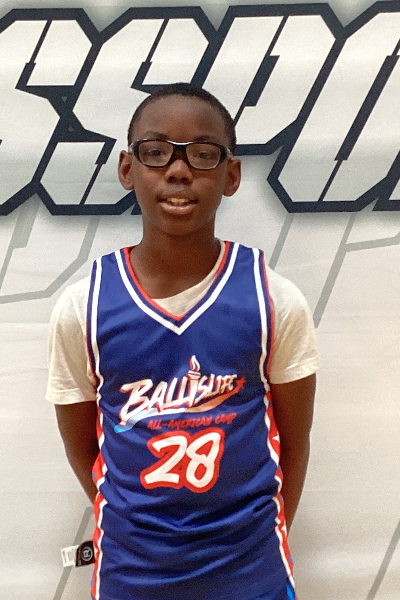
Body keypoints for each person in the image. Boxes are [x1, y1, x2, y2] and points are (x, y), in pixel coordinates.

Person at [47, 82, 320, 600]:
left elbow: (294, 441)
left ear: (231, 175)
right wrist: (135, 524)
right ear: (127, 169)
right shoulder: (82, 307)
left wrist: (260, 534)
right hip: (132, 572)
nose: (178, 170)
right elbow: (83, 448)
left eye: (203, 154)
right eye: (156, 152)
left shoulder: (274, 299)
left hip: (250, 570)